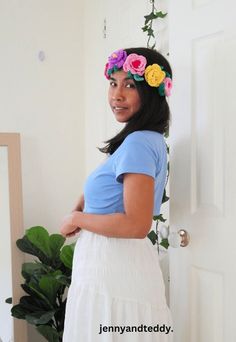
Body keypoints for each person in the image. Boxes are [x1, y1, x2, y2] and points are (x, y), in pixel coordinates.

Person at [60, 47, 174, 341]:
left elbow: (136, 225)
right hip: (114, 264)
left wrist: (77, 217)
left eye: (130, 85)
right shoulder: (145, 140)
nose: (117, 95)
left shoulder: (137, 143)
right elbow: (114, 195)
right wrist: (83, 205)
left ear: (151, 93)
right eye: (114, 83)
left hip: (114, 264)